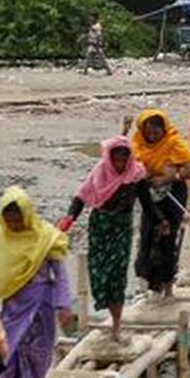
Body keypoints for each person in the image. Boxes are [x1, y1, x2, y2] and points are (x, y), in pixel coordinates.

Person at [0, 187, 71, 378]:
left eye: (17, 219)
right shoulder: (2, 240)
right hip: (12, 310)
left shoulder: (46, 238)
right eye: (9, 220)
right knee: (6, 364)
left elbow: (61, 276)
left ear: (27, 215)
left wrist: (63, 306)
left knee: (36, 363)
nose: (14, 225)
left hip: (41, 309)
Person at [57, 137, 146, 339]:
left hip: (121, 228)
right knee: (98, 271)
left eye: (124, 158)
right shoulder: (99, 172)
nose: (121, 163)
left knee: (117, 275)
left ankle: (116, 324)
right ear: (109, 158)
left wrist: (161, 222)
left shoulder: (136, 175)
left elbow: (146, 202)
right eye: (117, 158)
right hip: (100, 226)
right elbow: (81, 196)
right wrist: (70, 218)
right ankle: (107, 309)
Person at [131, 109, 190, 297]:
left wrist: (169, 178)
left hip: (171, 195)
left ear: (163, 129)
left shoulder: (174, 143)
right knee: (147, 236)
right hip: (149, 196)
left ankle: (167, 285)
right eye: (148, 132)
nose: (152, 137)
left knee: (167, 238)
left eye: (156, 132)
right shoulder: (137, 143)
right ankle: (149, 284)